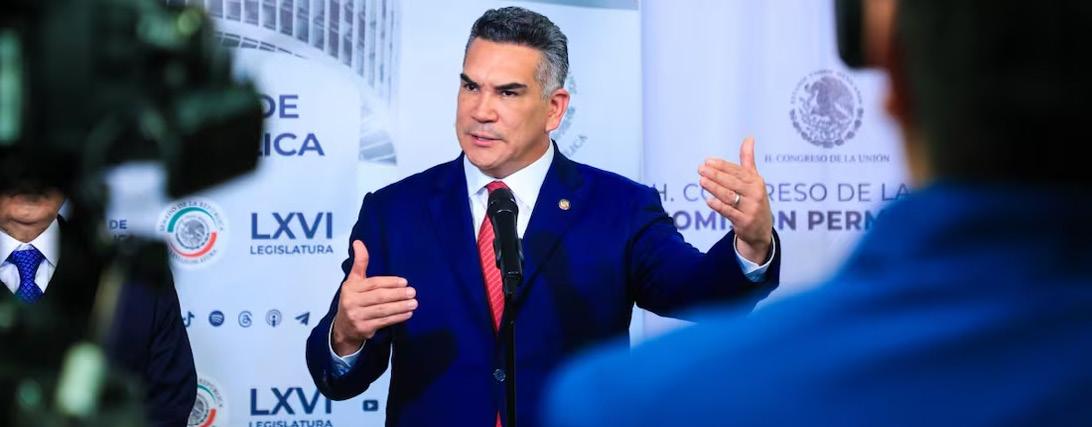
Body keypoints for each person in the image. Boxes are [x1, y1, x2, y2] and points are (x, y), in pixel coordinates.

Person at [544, 1, 1092, 426]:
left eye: (510, 92)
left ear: (895, 80)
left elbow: (690, 290)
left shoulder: (636, 404)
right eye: (489, 89)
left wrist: (752, 245)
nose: (496, 110)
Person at [304, 6, 781, 427]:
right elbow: (338, 379)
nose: (481, 111)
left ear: (554, 109)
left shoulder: (619, 208)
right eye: (471, 86)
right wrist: (345, 333)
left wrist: (752, 244)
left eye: (508, 93)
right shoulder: (395, 212)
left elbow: (700, 294)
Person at [0, 186, 196, 426]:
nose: (29, 184)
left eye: (42, 172)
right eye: (17, 171)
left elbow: (170, 401)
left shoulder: (129, 275)